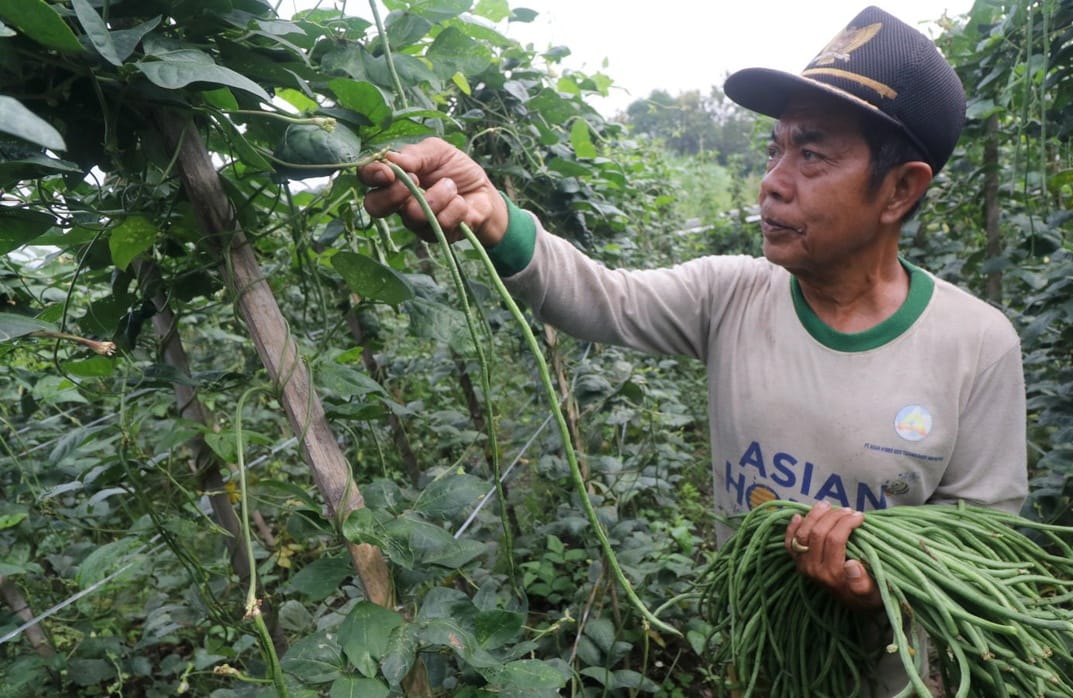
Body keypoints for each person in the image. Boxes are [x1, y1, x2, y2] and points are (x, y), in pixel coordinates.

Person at [360, 5, 1028, 694]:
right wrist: (489, 211)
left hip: (901, 680)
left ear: (901, 189)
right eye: (776, 149)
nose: (773, 179)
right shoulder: (730, 295)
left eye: (813, 153)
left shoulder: (974, 344)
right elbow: (604, 297)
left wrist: (884, 581)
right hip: (761, 664)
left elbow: (985, 544)